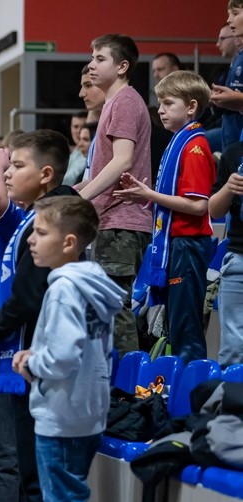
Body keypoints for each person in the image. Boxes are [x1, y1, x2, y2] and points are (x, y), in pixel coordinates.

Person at [0, 130, 77, 502]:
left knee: (33, 477)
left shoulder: (54, 216)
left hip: (41, 361)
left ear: (46, 174)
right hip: (27, 355)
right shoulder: (31, 217)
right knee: (26, 471)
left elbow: (29, 294)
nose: (8, 174)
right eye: (7, 166)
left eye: (17, 166)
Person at [12, 195, 124, 502]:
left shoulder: (62, 289)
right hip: (88, 411)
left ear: (69, 243)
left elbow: (62, 356)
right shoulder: (94, 282)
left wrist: (32, 363)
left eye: (41, 233)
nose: (31, 239)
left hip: (61, 416)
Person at [115, 71, 215, 364]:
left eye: (169, 103)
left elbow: (198, 206)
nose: (161, 109)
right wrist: (146, 196)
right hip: (178, 244)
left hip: (188, 245)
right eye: (160, 103)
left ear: (192, 106)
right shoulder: (178, 142)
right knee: (176, 328)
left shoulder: (195, 146)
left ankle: (194, 401)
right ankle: (179, 396)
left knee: (186, 329)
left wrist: (149, 195)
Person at [77, 33, 152, 355]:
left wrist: (82, 197)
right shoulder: (115, 102)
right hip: (111, 218)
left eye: (100, 59)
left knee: (115, 307)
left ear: (122, 66)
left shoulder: (124, 102)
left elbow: (122, 161)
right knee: (108, 306)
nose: (92, 66)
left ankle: (125, 395)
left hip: (123, 219)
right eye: (92, 58)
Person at [209, 140, 243, 368]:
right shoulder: (234, 153)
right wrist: (229, 188)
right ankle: (232, 401)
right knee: (233, 349)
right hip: (239, 257)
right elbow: (213, 209)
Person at [211, 1, 243, 149]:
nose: (229, 19)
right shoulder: (239, 57)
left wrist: (239, 102)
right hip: (232, 139)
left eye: (235, 13)